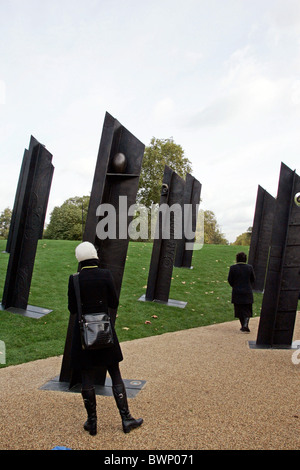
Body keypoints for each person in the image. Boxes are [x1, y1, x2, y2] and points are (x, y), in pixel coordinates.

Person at [68, 241, 143, 436]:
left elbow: (72, 309)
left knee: (86, 375)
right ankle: (126, 418)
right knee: (115, 372)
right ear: (95, 256)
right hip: (104, 329)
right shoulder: (106, 275)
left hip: (84, 333)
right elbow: (114, 302)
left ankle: (92, 422)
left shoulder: (74, 279)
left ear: (79, 259)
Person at [227, 251, 255, 333]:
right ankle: (245, 325)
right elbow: (253, 279)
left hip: (237, 291)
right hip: (247, 291)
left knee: (239, 309)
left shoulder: (233, 268)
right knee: (247, 309)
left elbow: (230, 280)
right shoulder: (250, 268)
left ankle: (243, 325)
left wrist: (235, 286)